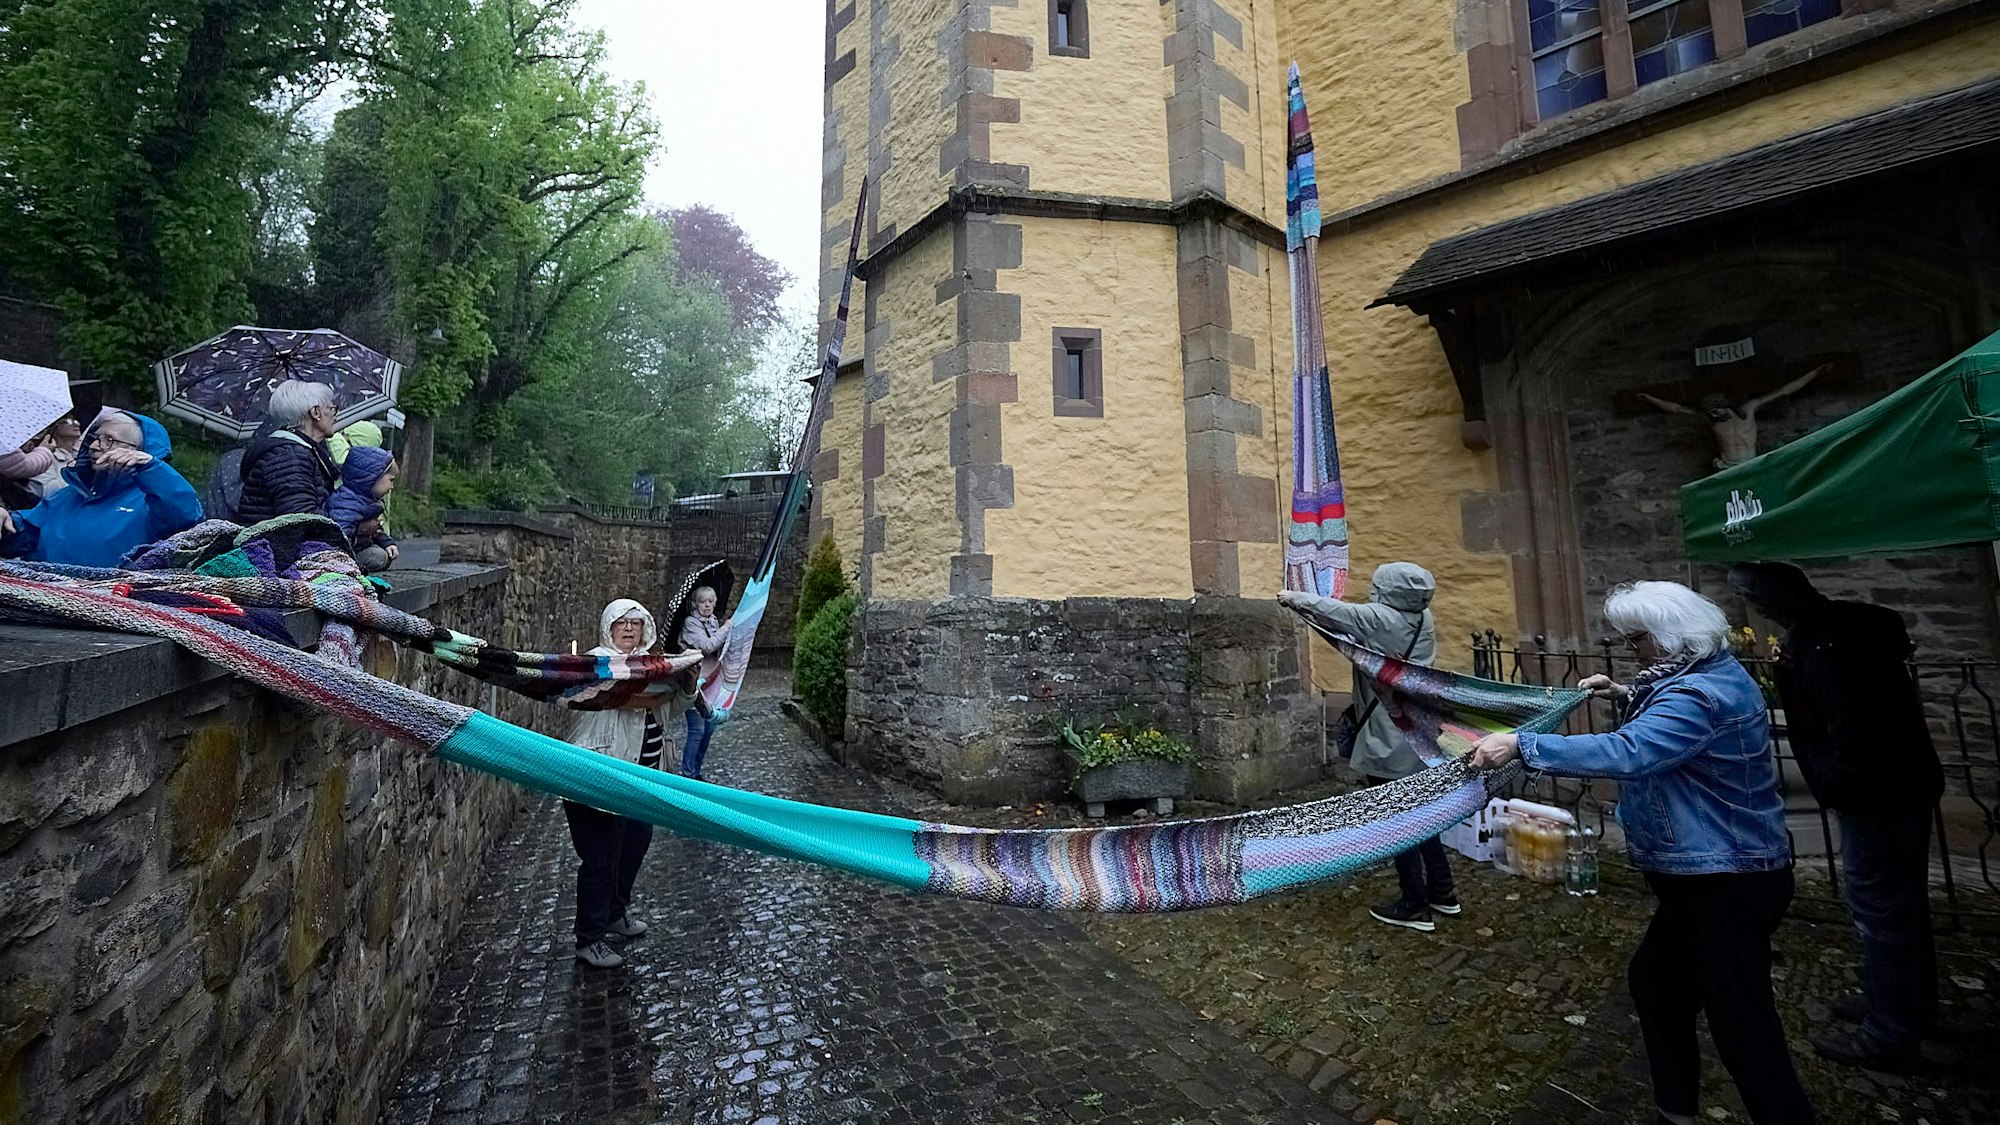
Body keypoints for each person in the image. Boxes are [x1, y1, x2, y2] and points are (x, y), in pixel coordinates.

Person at [1468, 581, 1814, 1125]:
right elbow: (1666, 721)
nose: (1634, 651)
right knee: (1657, 987)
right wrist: (1624, 692)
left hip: (1724, 879)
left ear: (1669, 636)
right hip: (1707, 877)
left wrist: (1522, 745)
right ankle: (1674, 1112)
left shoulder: (1699, 695)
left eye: (1637, 642)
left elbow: (1632, 751)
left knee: (1743, 1023)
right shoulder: (1705, 673)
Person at [1728, 562, 1943, 1070]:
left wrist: (1836, 786)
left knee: (1883, 910)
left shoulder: (1830, 650)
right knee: (1896, 906)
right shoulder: (1837, 632)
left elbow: (1856, 734)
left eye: (1753, 599)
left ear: (1768, 604)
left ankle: (1890, 1033)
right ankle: (1904, 1006)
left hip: (1879, 794)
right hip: (1895, 787)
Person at [1278, 562, 1457, 932]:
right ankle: (1443, 892)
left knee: (1397, 821)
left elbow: (1338, 613)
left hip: (1389, 735)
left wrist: (1292, 597)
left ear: (1387, 589)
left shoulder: (1381, 619)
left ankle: (1414, 905)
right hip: (1417, 731)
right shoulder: (1423, 618)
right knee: (1423, 816)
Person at [563, 599, 698, 969]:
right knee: (600, 859)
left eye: (635, 624)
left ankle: (614, 913)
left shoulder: (653, 670)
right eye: (620, 623)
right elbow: (576, 698)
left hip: (639, 784)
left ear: (645, 629)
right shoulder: (593, 666)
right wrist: (651, 678)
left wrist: (685, 682)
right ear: (608, 628)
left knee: (634, 846)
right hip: (597, 781)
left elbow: (669, 706)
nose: (627, 629)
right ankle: (589, 938)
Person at [0, 409, 203, 568]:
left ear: (140, 451)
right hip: (46, 609)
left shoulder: (153, 500)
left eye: (109, 440)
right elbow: (26, 534)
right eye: (95, 438)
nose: (95, 446)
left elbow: (185, 518)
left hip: (119, 610)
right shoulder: (69, 495)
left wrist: (151, 468)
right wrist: (6, 522)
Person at [236, 382, 339, 523]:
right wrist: (352, 525)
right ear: (315, 412)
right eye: (331, 408)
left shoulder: (296, 450)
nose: (335, 416)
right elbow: (302, 520)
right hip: (275, 544)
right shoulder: (290, 456)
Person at [677, 586, 730, 781]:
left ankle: (697, 772)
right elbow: (708, 646)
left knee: (708, 729)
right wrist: (726, 629)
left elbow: (720, 645)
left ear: (715, 603)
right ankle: (689, 775)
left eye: (710, 601)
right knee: (697, 730)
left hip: (712, 682)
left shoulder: (714, 621)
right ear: (695, 604)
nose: (706, 605)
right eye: (702, 601)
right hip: (694, 682)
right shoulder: (690, 623)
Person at [324, 446, 400, 574]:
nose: (391, 487)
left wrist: (387, 543)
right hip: (345, 554)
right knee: (378, 557)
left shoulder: (365, 500)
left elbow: (375, 529)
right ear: (374, 477)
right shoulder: (348, 502)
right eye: (390, 480)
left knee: (381, 555)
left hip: (359, 547)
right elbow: (341, 535)